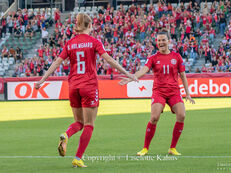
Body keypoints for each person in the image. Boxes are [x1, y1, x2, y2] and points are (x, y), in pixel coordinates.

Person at [35, 13, 137, 167]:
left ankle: (66, 134)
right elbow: (108, 59)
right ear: (90, 26)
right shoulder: (94, 42)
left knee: (78, 122)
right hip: (89, 86)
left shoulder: (70, 43)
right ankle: (78, 157)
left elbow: (56, 63)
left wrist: (42, 80)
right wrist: (128, 73)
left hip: (73, 86)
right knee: (89, 124)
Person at [119, 29, 195, 156]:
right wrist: (131, 77)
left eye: (163, 40)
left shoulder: (176, 57)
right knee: (154, 118)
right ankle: (145, 148)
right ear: (156, 42)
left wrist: (187, 94)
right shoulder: (153, 58)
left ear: (169, 41)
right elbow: (143, 70)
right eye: (159, 40)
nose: (161, 42)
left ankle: (172, 148)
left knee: (182, 115)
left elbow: (183, 75)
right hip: (159, 92)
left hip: (174, 92)